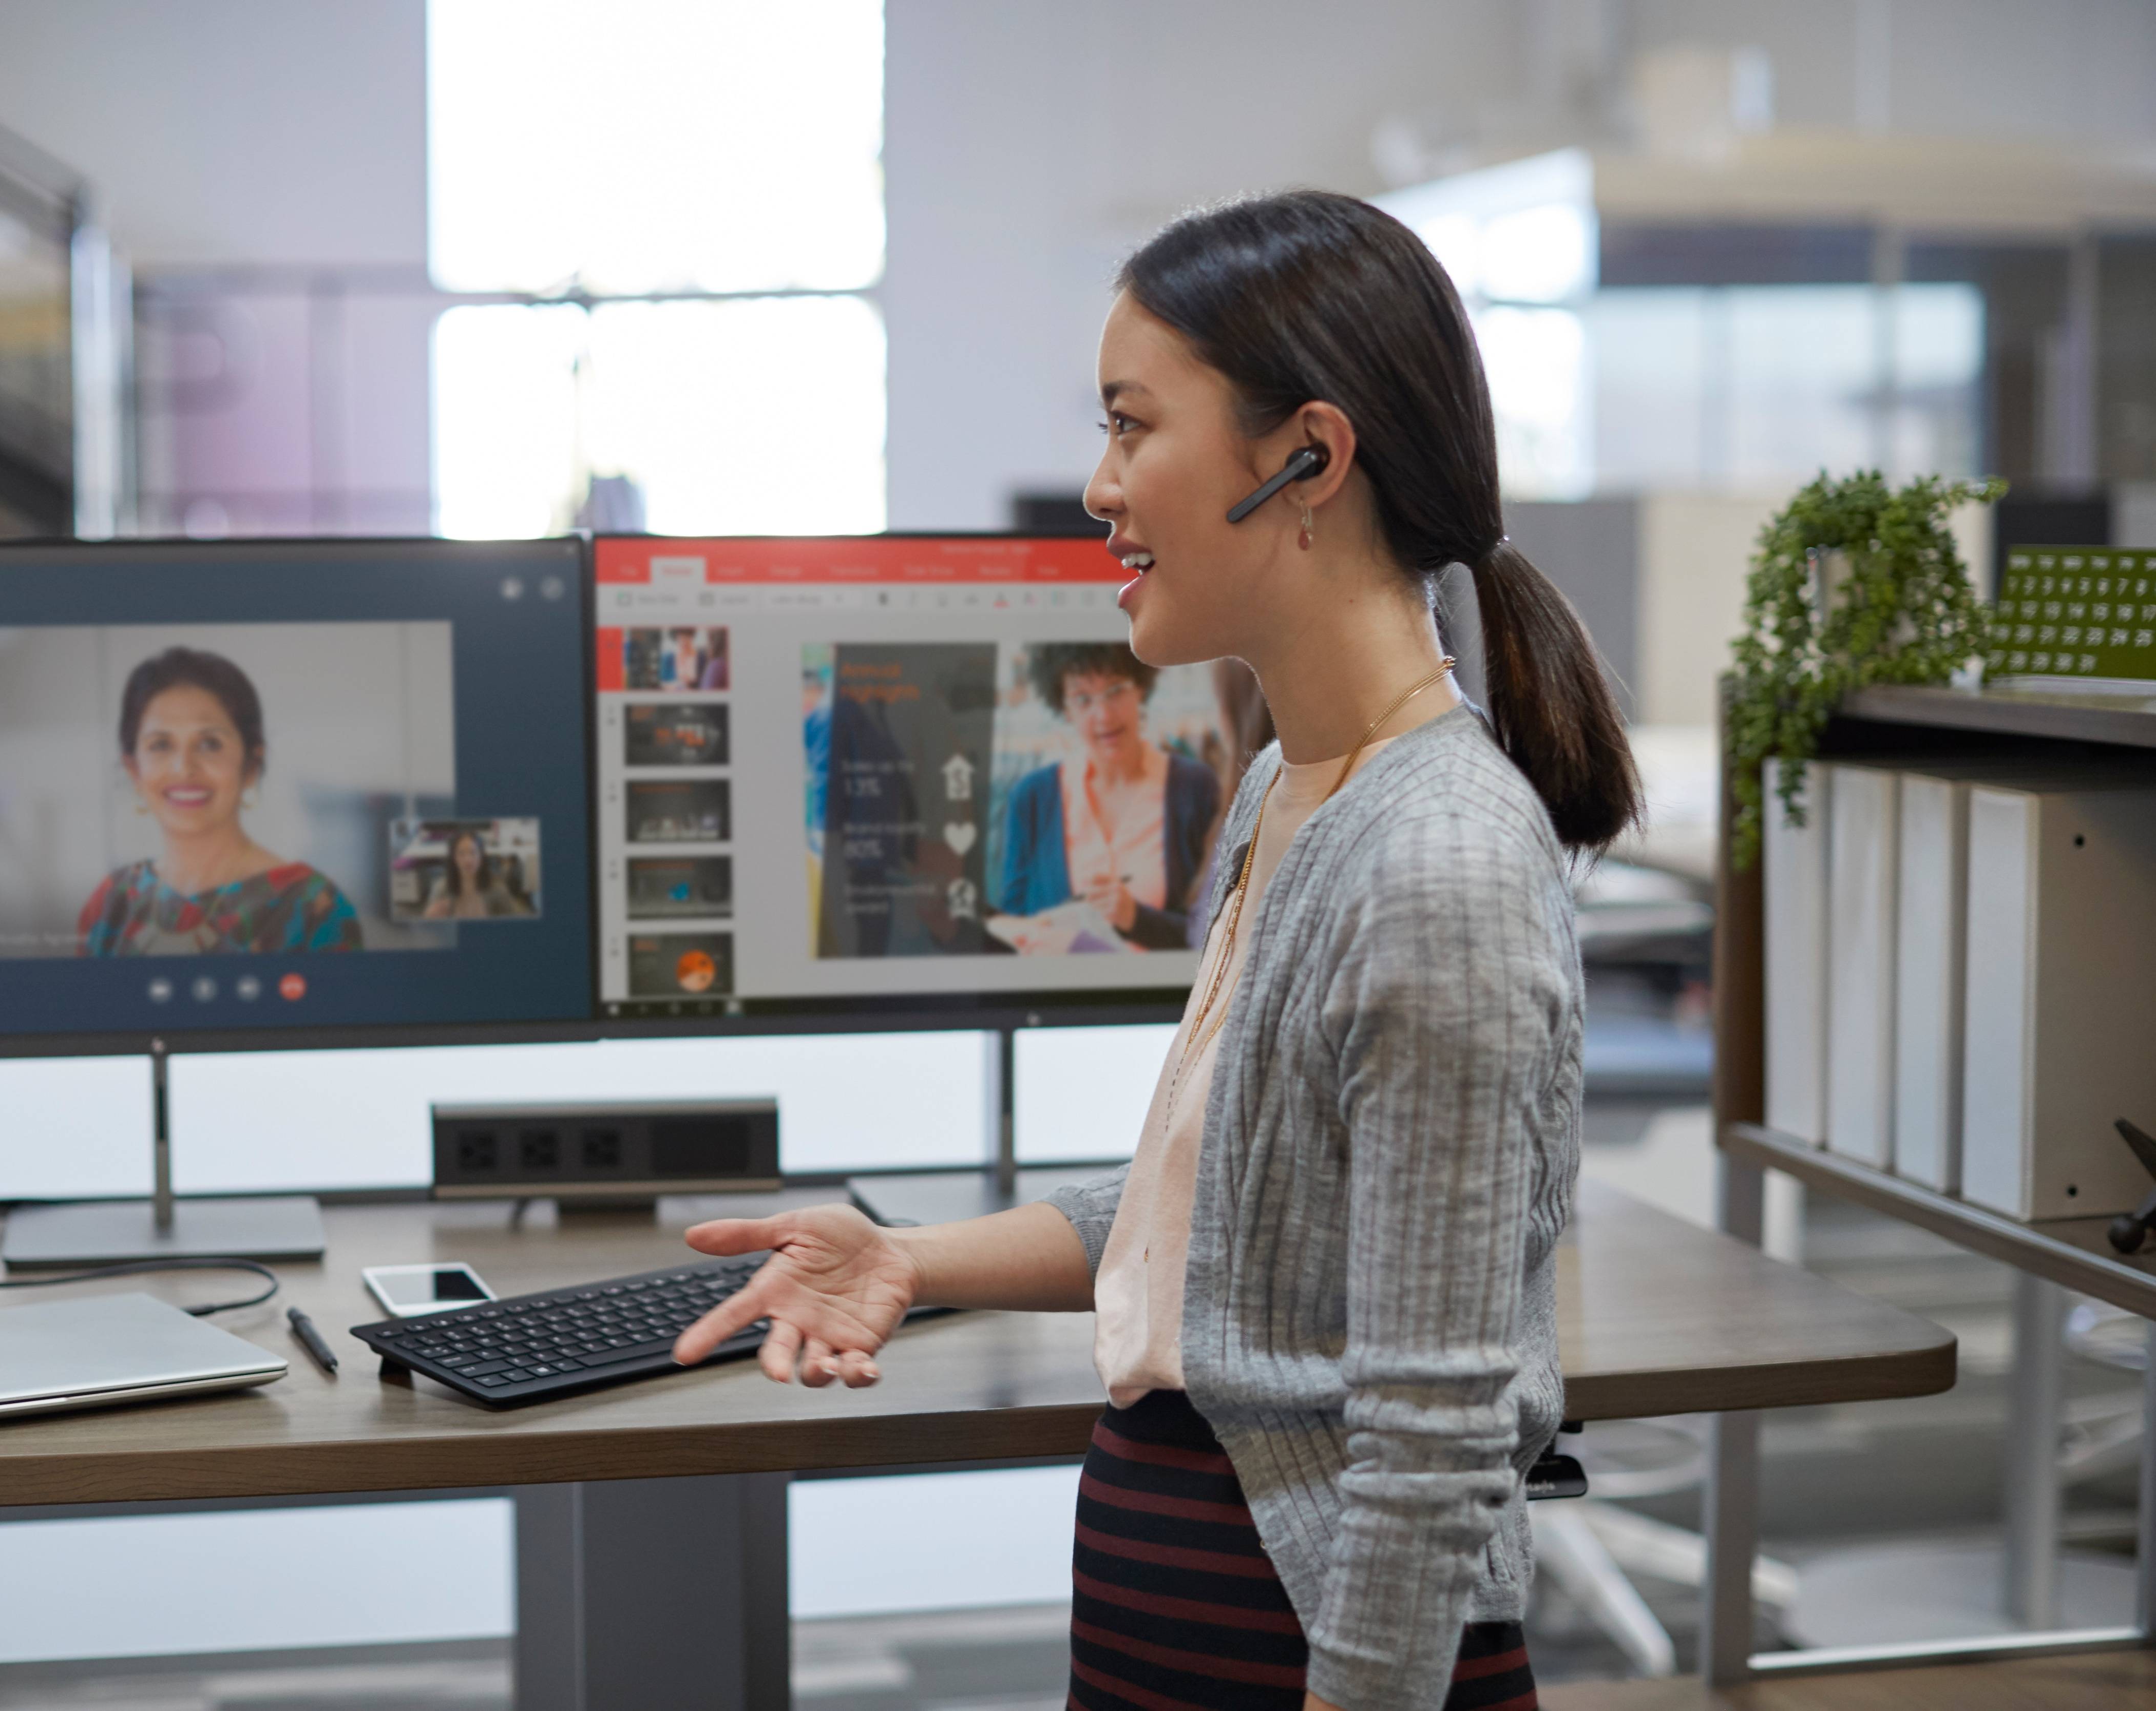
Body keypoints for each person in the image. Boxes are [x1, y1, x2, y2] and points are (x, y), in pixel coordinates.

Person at [669, 190, 1638, 1711]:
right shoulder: (1286, 783)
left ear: (1306, 458)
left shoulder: (1437, 856)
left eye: (1133, 428)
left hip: (1307, 1645)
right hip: (1179, 1605)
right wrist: (909, 1258)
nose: (1097, 484)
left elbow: (1435, 1443)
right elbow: (1238, 1197)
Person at [78, 647, 362, 955]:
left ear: (251, 765)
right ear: (135, 770)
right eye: (161, 745)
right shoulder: (112, 902)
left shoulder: (313, 907)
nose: (184, 769)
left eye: (210, 744)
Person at [995, 643, 1219, 950]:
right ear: (1065, 709)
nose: (1103, 715)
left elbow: (1221, 932)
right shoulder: (1031, 798)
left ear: (1141, 687)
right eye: (1083, 699)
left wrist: (1136, 919)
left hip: (1167, 996)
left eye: (1115, 690)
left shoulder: (1195, 788)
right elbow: (1010, 932)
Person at [419, 827, 523, 918]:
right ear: (454, 859)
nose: (468, 860)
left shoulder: (498, 890)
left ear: (481, 857)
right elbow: (430, 931)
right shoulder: (441, 889)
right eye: (461, 853)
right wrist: (430, 917)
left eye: (473, 852)